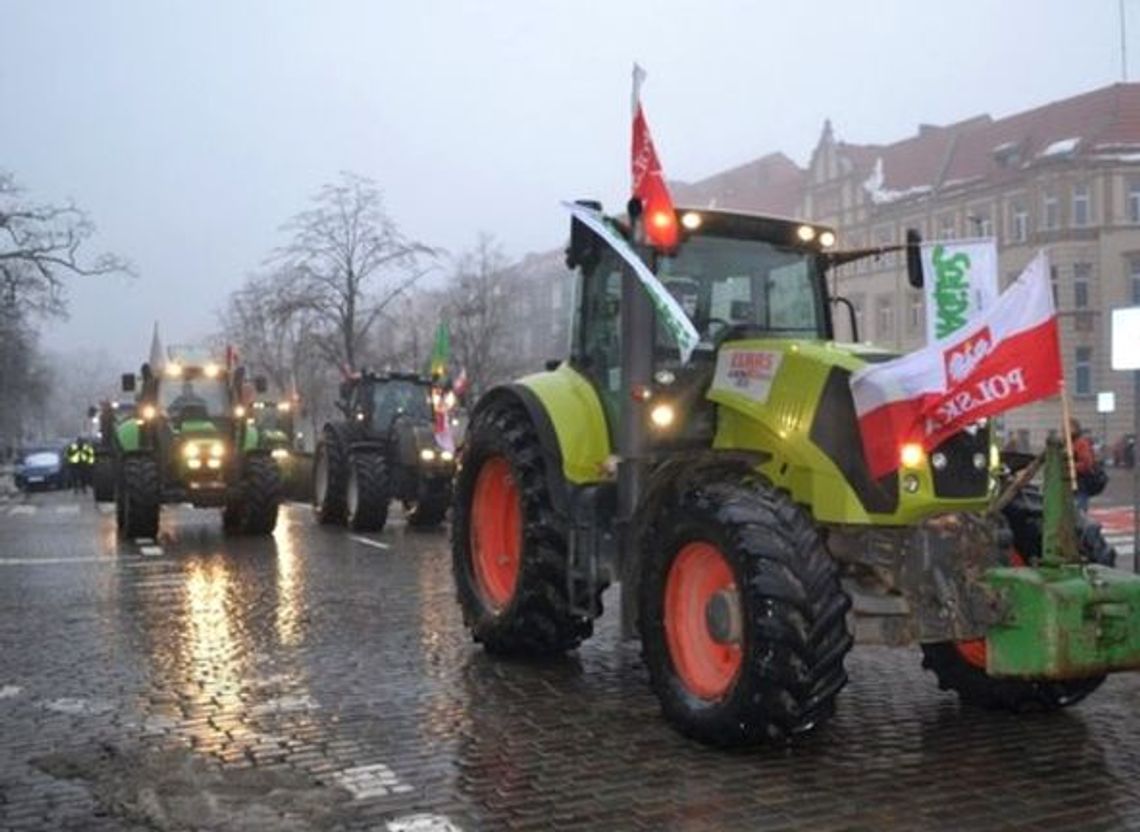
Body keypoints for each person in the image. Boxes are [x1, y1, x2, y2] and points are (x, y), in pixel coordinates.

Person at [1070, 418, 1096, 512]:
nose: (1064, 430)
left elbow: (1086, 464)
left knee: (1079, 513)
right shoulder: (1067, 443)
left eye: (1068, 427)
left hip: (1080, 484)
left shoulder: (1081, 443)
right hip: (1068, 486)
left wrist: (1072, 466)